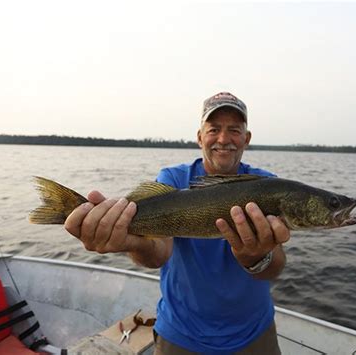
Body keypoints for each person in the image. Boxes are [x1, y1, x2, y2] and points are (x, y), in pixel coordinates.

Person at [64, 92, 290, 354]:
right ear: (199, 137)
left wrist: (257, 258)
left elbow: (275, 267)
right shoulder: (172, 178)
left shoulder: (267, 184)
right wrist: (132, 243)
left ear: (246, 139)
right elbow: (158, 252)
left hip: (254, 333)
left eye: (234, 130)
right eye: (214, 129)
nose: (223, 139)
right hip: (181, 335)